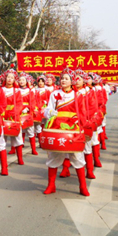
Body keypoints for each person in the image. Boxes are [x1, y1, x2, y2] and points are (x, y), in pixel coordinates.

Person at [41, 69, 89, 197]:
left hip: (72, 127)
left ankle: (82, 186)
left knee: (77, 157)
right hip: (57, 127)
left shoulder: (78, 95)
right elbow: (48, 109)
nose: (63, 80)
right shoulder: (54, 94)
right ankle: (51, 185)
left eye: (66, 78)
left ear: (72, 81)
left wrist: (79, 125)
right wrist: (50, 112)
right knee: (54, 156)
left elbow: (83, 114)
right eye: (62, 78)